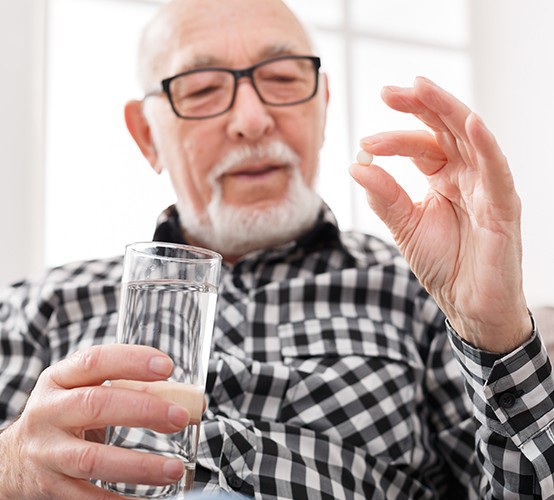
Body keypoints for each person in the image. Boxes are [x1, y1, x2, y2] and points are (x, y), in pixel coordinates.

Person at [1, 0, 553, 498]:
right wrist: (11, 469)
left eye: (284, 79)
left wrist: (494, 328)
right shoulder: (38, 309)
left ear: (323, 106)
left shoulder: (422, 292)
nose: (252, 121)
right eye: (201, 89)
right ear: (147, 136)